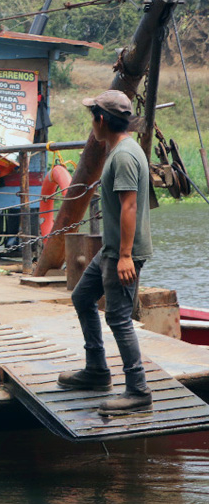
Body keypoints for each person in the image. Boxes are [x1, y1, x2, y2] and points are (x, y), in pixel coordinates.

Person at [56, 90, 154, 415]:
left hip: (121, 253)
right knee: (82, 298)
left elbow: (129, 205)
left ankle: (138, 391)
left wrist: (126, 256)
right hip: (111, 250)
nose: (91, 124)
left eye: (92, 117)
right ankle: (97, 370)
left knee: (119, 318)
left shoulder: (125, 155)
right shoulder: (119, 150)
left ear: (101, 120)